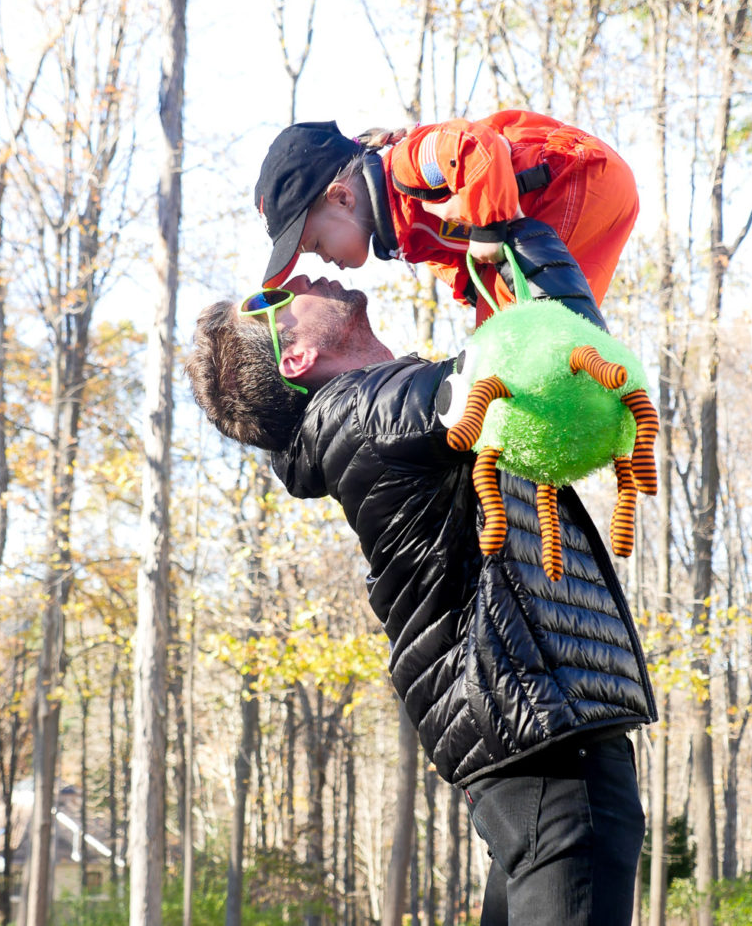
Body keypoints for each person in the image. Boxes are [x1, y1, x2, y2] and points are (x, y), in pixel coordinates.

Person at [185, 216, 656, 925]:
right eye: (274, 299)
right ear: (296, 358)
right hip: (553, 767)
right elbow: (577, 372)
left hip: (533, 763)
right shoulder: (364, 415)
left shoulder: (372, 414)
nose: (304, 276)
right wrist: (531, 243)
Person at [253, 113, 638, 326]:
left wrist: (488, 225)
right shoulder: (405, 232)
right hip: (591, 205)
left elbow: (473, 145)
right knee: (566, 334)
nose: (324, 260)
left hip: (573, 181)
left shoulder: (407, 167)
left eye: (316, 245)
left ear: (341, 197)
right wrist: (471, 290)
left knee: (510, 343)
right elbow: (454, 260)